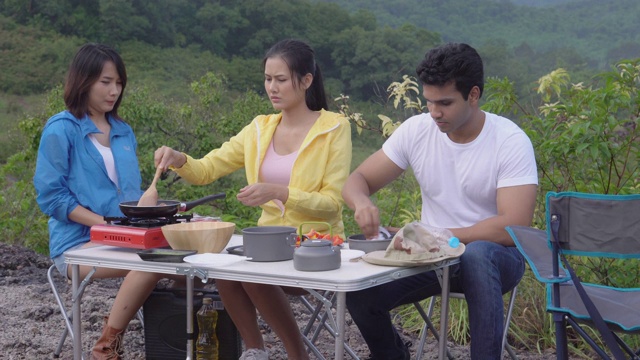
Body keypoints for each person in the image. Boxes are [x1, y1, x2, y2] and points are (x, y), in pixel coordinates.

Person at [154, 39, 352, 360]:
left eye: (281, 80)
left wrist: (278, 192)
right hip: (270, 247)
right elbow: (207, 169)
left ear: (306, 81)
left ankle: (296, 354)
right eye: (267, 79)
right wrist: (179, 158)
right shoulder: (259, 129)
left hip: (318, 245)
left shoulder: (333, 128)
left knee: (252, 272)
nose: (272, 88)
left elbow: (332, 202)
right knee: (227, 269)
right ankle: (255, 352)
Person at [342, 43, 538, 360]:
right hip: (432, 257)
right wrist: (361, 202)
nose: (434, 112)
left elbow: (513, 225)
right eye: (429, 102)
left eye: (445, 103)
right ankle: (392, 354)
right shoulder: (418, 130)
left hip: (498, 257)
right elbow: (357, 180)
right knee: (358, 287)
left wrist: (442, 235)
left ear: (473, 95)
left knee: (477, 255)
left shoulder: (509, 141)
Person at [33, 43, 176, 360]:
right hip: (76, 244)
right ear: (83, 81)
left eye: (119, 83)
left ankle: (172, 343)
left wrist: (147, 210)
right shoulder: (62, 129)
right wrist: (107, 226)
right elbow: (51, 197)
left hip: (123, 238)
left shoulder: (123, 132)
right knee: (152, 261)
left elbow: (129, 197)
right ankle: (106, 347)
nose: (114, 91)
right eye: (106, 82)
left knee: (185, 261)